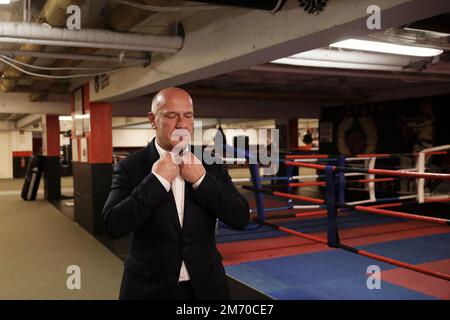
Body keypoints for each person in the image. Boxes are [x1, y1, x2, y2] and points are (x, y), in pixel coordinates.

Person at [102, 87, 250, 300]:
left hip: (206, 287)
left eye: (188, 116)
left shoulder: (211, 164)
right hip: (150, 288)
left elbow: (241, 217)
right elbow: (113, 224)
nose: (181, 124)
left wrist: (202, 180)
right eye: (171, 115)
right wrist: (157, 181)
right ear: (153, 119)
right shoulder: (131, 167)